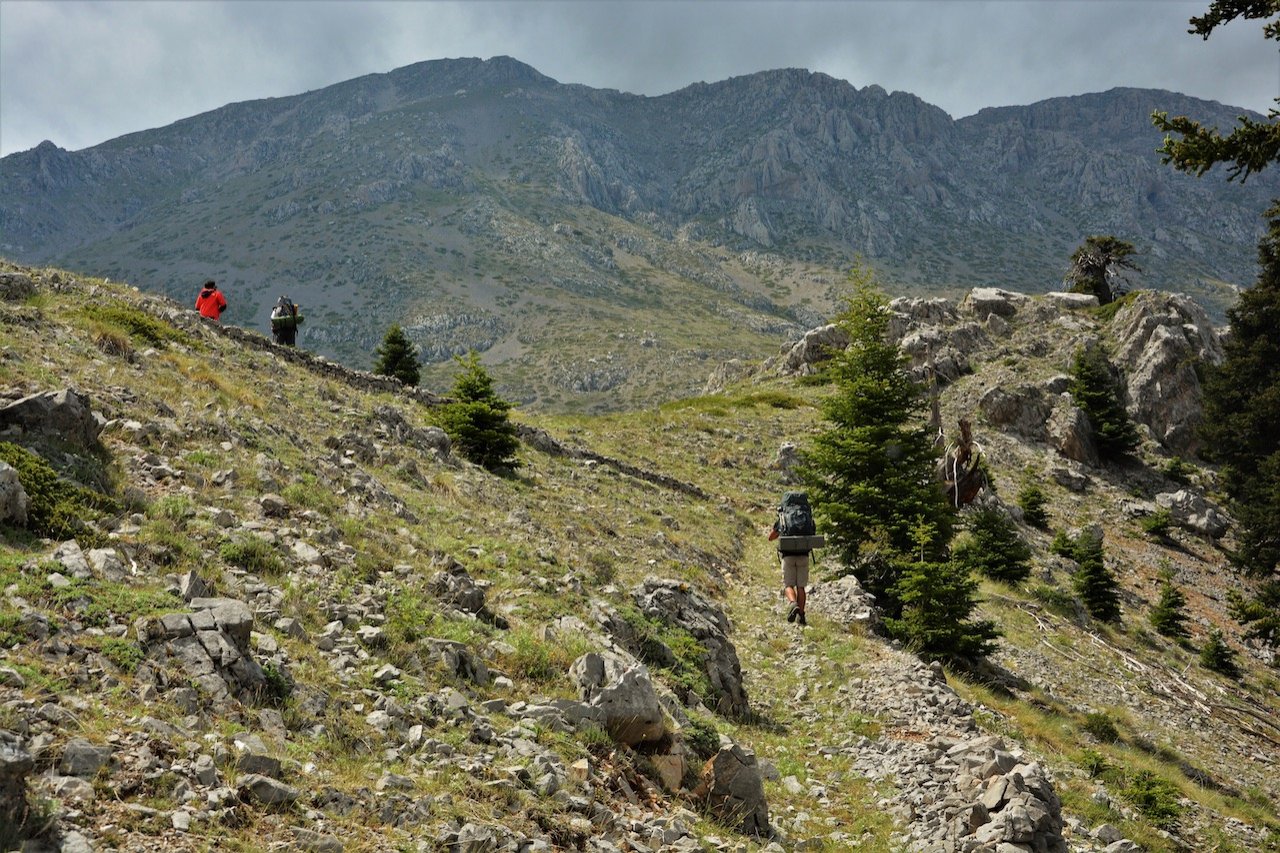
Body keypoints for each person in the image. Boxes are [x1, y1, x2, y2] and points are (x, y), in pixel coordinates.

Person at [769, 513, 812, 626]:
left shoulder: (783, 519)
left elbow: (771, 537)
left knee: (788, 585)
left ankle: (793, 604)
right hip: (804, 555)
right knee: (801, 587)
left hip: (788, 556)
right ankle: (801, 616)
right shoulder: (806, 518)